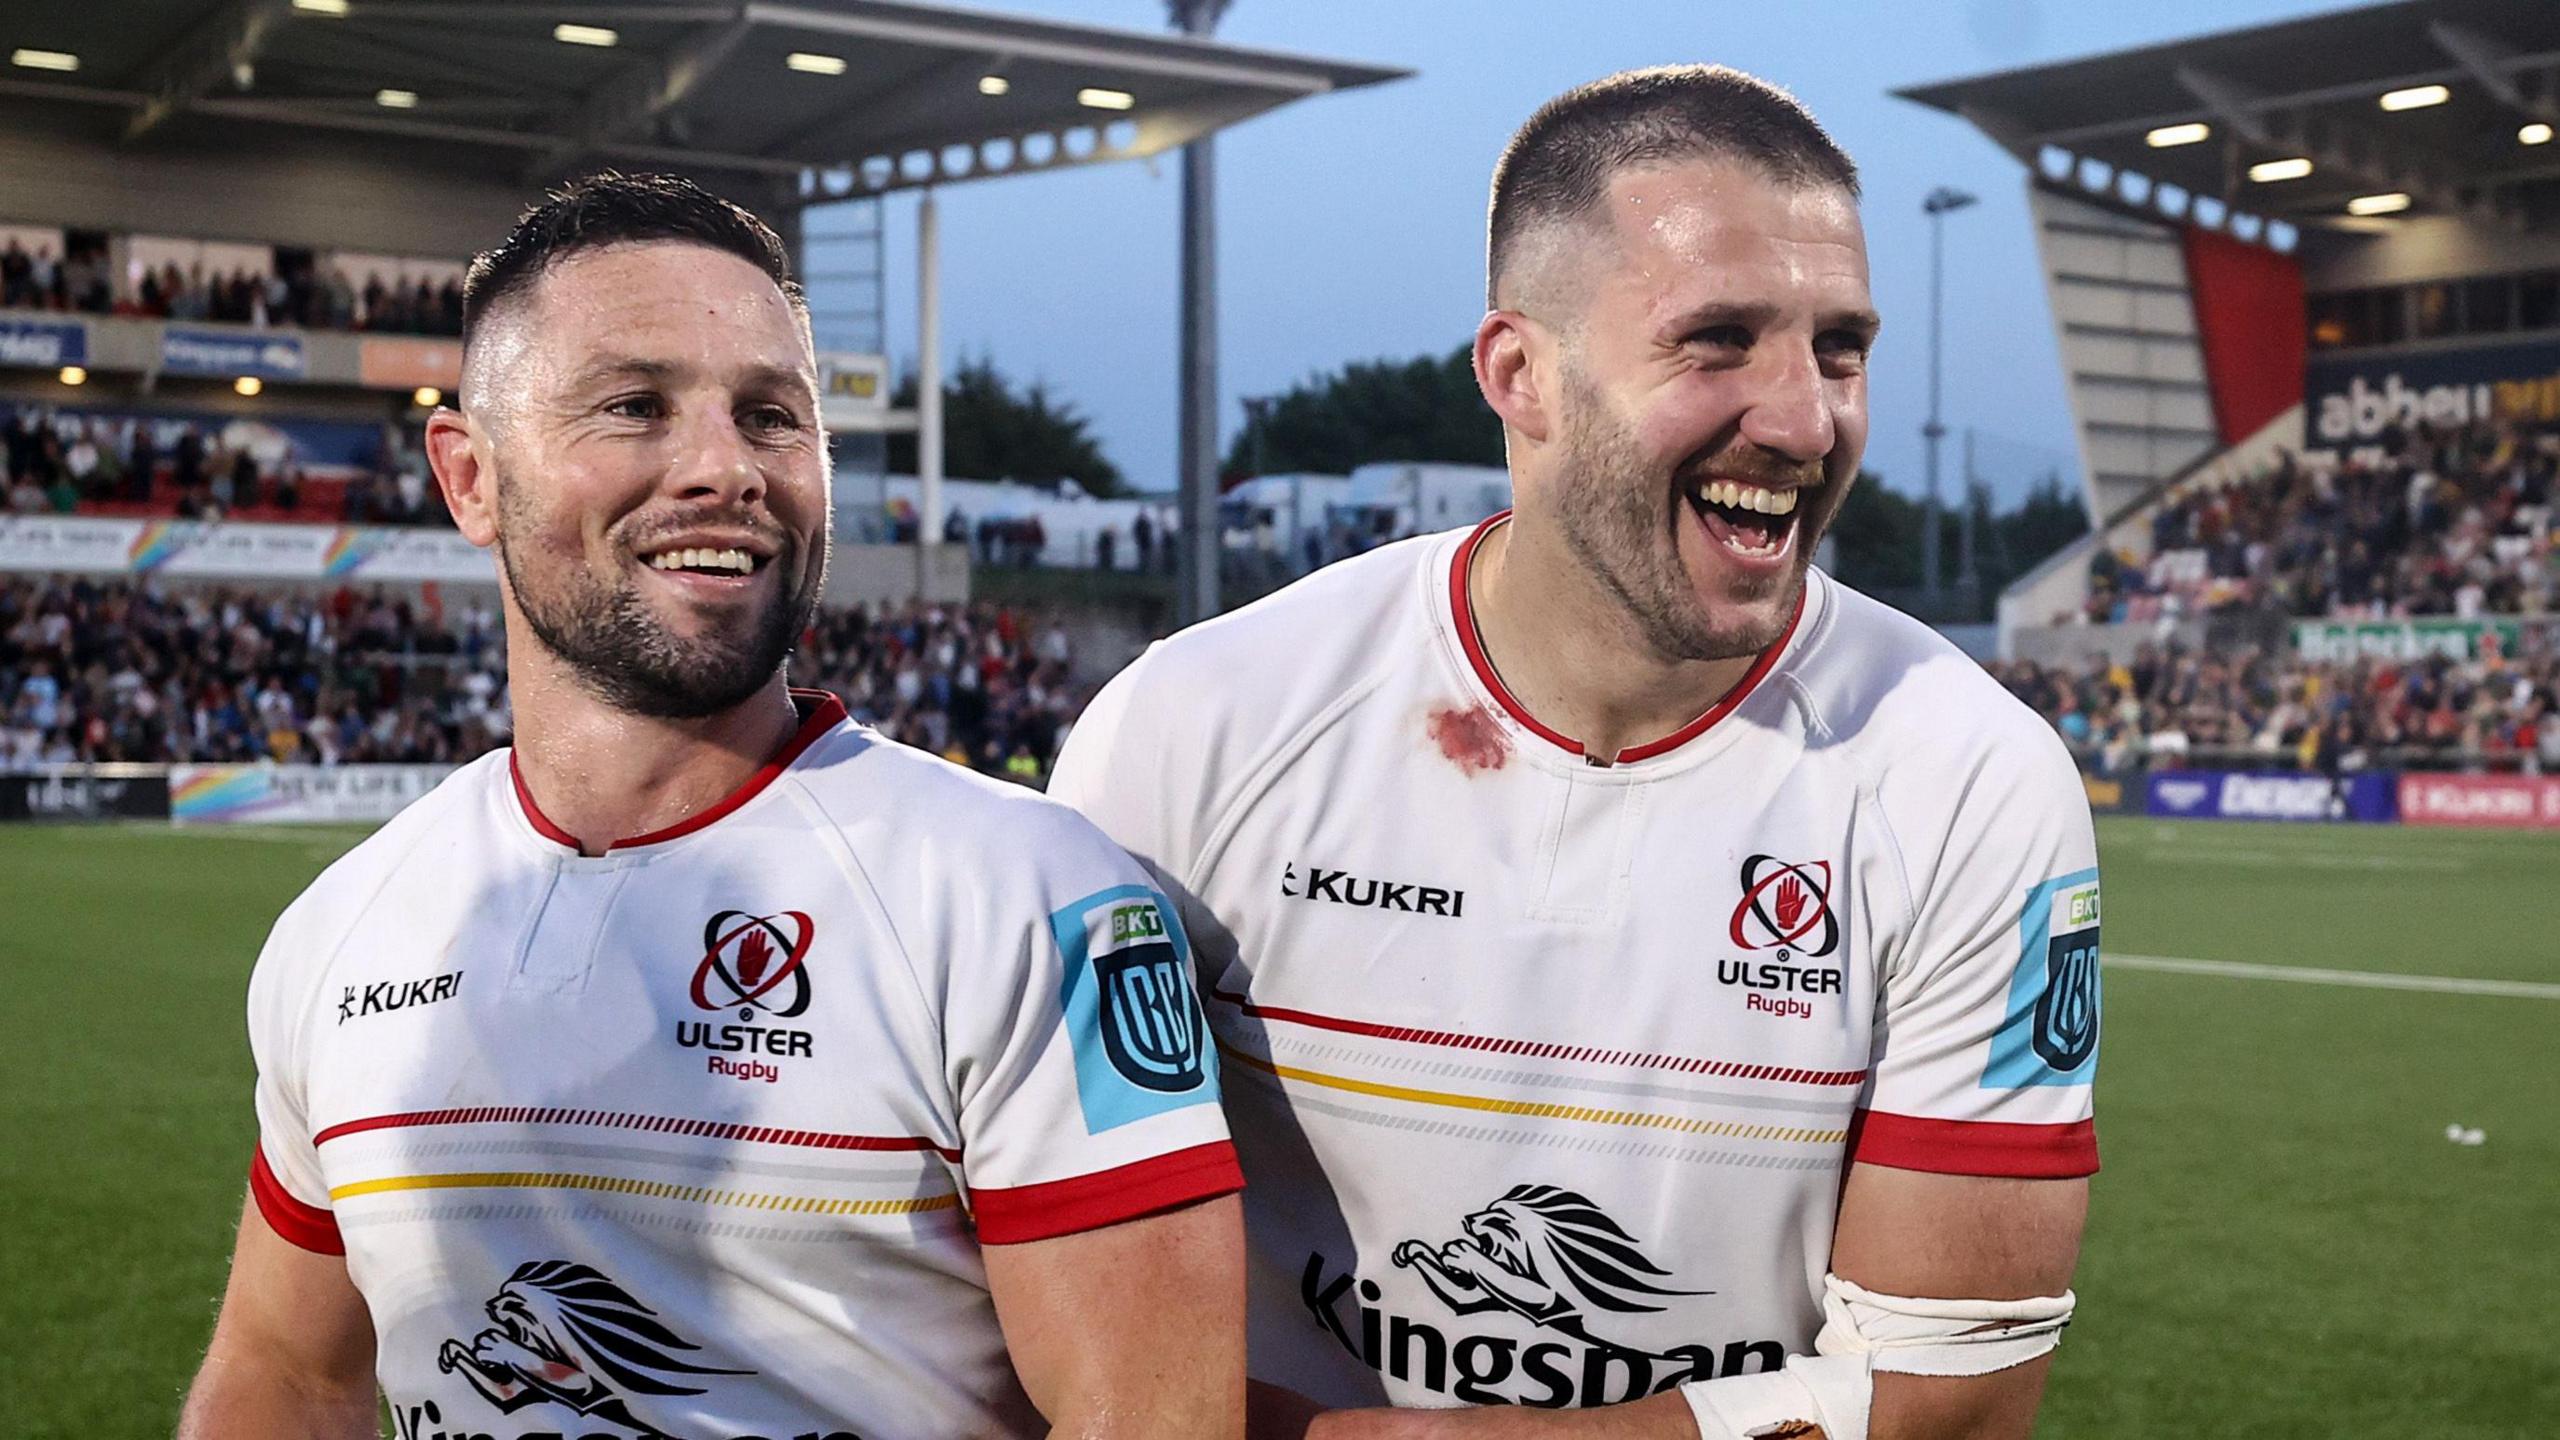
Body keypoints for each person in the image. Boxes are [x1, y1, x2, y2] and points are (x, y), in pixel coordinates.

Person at [1050, 67, 2096, 1440]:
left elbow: (1947, 1403)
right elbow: (1054, 1296)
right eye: (1718, 340)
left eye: (1839, 348)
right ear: (1519, 374)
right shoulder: (1195, 728)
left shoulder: (1969, 778)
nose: (1803, 419)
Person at [179, 173, 1245, 1440]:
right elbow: (287, 1377)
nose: (723, 469)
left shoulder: (1034, 904)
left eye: (772, 417)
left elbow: (1153, 1419)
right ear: (470, 479)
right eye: (635, 407)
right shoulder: (344, 925)